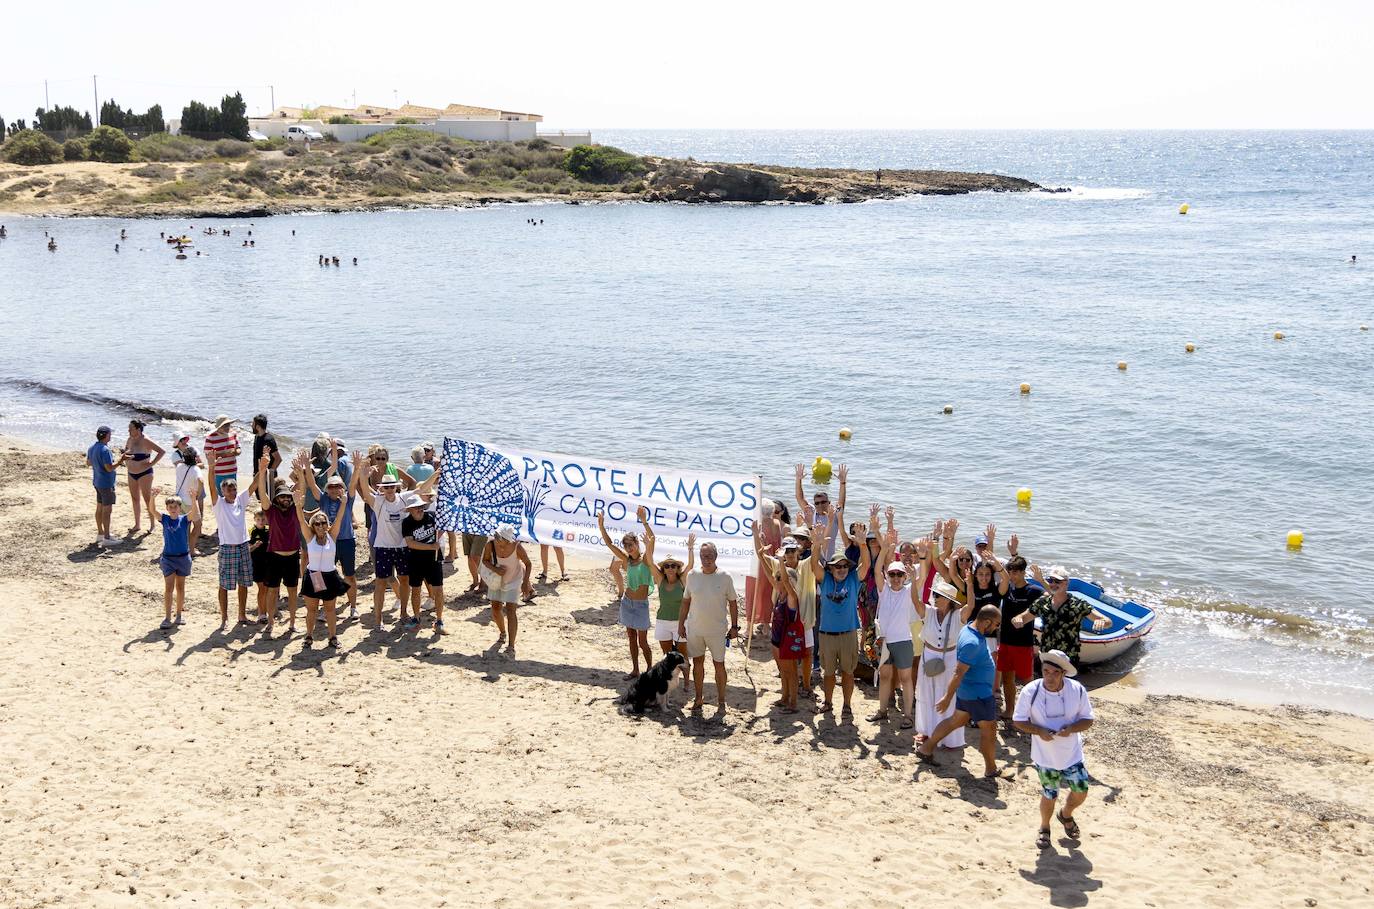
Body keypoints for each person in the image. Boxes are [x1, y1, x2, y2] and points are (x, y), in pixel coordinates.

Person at [1012, 650, 1096, 848]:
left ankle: (1065, 814)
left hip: (1072, 754)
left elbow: (1088, 719)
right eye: (1046, 671)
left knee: (1081, 790)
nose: (1049, 677)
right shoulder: (1030, 691)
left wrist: (1072, 729)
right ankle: (1044, 828)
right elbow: (1018, 720)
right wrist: (1038, 730)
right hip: (1045, 757)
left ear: (1063, 673)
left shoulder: (1077, 690)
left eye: (1055, 673)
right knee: (1050, 793)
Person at [917, 604, 1004, 779]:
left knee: (955, 721)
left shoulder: (968, 629)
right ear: (986, 622)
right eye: (996, 624)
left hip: (969, 691)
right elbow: (958, 672)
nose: (996, 628)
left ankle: (926, 748)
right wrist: (947, 697)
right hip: (978, 694)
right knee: (989, 731)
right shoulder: (972, 642)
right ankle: (990, 768)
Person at [814, 514, 871, 719]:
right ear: (830, 568)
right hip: (827, 635)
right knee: (828, 673)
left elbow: (865, 566)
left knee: (848, 673)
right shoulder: (826, 580)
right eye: (837, 566)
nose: (841, 569)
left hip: (848, 634)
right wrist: (816, 545)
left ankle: (846, 705)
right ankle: (828, 702)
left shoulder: (854, 579)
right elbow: (814, 567)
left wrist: (863, 545)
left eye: (845, 566)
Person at [915, 569, 976, 746]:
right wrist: (914, 579)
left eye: (939, 595)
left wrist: (970, 585)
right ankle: (926, 731)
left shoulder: (958, 616)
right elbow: (914, 601)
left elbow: (971, 606)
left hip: (950, 658)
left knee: (947, 695)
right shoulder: (929, 611)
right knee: (927, 694)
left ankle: (948, 739)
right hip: (929, 656)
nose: (935, 597)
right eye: (935, 594)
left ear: (949, 601)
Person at [678, 542, 739, 714]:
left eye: (709, 556)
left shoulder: (725, 577)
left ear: (716, 556)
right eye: (703, 556)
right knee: (697, 664)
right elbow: (686, 601)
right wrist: (680, 623)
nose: (706, 560)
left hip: (717, 631)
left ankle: (721, 701)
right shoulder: (692, 575)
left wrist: (734, 627)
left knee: (719, 665)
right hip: (695, 629)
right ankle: (698, 698)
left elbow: (733, 603)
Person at [871, 530, 924, 729]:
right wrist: (884, 549)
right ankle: (882, 711)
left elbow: (922, 577)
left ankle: (908, 715)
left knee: (905, 678)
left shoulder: (909, 592)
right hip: (884, 640)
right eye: (892, 574)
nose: (895, 578)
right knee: (885, 676)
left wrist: (922, 561)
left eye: (899, 575)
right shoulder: (883, 590)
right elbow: (877, 571)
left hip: (903, 641)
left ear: (904, 576)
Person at [1008, 565, 1111, 667]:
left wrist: (1101, 622)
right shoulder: (1042, 603)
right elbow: (1023, 617)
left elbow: (1108, 621)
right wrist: (1017, 619)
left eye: (1057, 581)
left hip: (1068, 658)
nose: (1053, 584)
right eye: (1050, 580)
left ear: (1066, 583)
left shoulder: (1078, 604)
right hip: (1047, 656)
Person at [354, 453, 411, 630]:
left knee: (404, 580)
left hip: (401, 547)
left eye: (392, 486)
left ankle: (403, 613)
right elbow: (364, 490)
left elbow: (421, 488)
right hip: (383, 548)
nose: (390, 489)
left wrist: (435, 475)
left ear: (397, 487)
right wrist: (362, 474)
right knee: (380, 583)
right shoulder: (377, 502)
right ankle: (378, 619)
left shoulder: (404, 499)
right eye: (386, 487)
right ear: (382, 489)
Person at [597, 509, 656, 678]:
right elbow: (609, 544)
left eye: (631, 544)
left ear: (637, 544)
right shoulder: (626, 560)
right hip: (627, 602)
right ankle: (636, 669)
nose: (629, 548)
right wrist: (602, 527)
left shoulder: (646, 559)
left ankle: (650, 670)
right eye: (626, 545)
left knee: (643, 641)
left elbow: (652, 540)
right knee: (631, 637)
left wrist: (644, 521)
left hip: (641, 605)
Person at [301, 447, 358, 617]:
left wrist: (357, 469)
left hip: (346, 540)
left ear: (342, 488)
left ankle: (353, 607)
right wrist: (306, 467)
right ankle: (323, 609)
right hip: (325, 541)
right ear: (327, 489)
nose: (334, 489)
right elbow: (311, 484)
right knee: (321, 574)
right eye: (331, 487)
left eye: (337, 487)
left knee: (349, 576)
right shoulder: (324, 498)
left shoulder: (347, 499)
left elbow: (354, 484)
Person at [295, 478, 350, 649]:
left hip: (329, 576)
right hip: (313, 576)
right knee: (311, 610)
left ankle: (333, 637)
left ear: (327, 525)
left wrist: (344, 503)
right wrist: (298, 505)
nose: (320, 525)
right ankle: (309, 636)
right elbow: (301, 521)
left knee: (330, 610)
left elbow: (339, 519)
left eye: (323, 523)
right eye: (317, 523)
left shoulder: (332, 536)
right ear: (313, 525)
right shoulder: (310, 537)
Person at [755, 530, 804, 712]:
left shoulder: (792, 597)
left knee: (791, 672)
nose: (778, 580)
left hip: (788, 640)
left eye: (781, 579)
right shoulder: (780, 594)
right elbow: (771, 575)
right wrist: (761, 557)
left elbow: (785, 579)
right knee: (783, 671)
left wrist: (782, 562)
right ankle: (784, 697)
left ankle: (793, 702)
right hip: (777, 639)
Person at [255, 453, 302, 635]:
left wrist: (301, 473)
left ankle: (292, 623)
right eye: (283, 497)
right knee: (272, 592)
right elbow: (263, 495)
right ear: (277, 499)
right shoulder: (271, 511)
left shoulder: (295, 509)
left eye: (288, 497)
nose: (286, 499)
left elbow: (301, 492)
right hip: (274, 557)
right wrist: (261, 471)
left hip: (292, 557)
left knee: (292, 592)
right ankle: (271, 623)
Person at [646, 527, 695, 689]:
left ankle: (687, 681)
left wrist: (690, 548)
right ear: (664, 569)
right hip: (662, 621)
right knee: (668, 656)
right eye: (667, 566)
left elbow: (691, 565)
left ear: (677, 568)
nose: (670, 568)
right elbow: (650, 562)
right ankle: (671, 680)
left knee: (683, 655)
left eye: (673, 565)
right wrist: (647, 546)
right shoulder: (660, 580)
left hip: (680, 623)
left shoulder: (682, 581)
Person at [206, 464, 253, 626]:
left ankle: (241, 615)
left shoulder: (240, 499)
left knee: (244, 583)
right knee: (224, 584)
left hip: (243, 546)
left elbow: (254, 486)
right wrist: (211, 467)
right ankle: (224, 617)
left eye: (234, 489)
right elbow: (211, 486)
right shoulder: (218, 504)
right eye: (229, 490)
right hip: (228, 548)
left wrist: (263, 468)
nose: (232, 492)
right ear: (223, 491)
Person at [998, 549, 1039, 718]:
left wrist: (1042, 580)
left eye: (1016, 572)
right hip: (1006, 641)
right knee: (1007, 680)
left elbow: (1050, 601)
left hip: (1023, 643)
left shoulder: (1033, 591)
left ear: (1023, 572)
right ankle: (1009, 710)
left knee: (1027, 680)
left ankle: (1032, 712)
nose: (1012, 575)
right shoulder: (1007, 589)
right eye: (1010, 572)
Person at [402, 475, 445, 632]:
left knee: (439, 590)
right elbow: (410, 543)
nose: (420, 509)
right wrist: (431, 547)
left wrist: (437, 540)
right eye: (417, 507)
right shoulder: (407, 522)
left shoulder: (432, 517)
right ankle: (416, 618)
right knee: (416, 590)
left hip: (434, 560)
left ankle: (439, 620)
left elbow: (443, 527)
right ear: (410, 510)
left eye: (421, 506)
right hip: (415, 560)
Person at [482, 523, 533, 653]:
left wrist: (525, 583)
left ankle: (511, 645)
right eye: (496, 535)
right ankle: (502, 632)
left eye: (499, 536)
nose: (496, 537)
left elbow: (528, 563)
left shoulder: (517, 547)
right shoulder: (490, 544)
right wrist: (496, 569)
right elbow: (485, 560)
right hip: (496, 581)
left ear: (507, 539)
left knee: (511, 611)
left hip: (514, 580)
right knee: (495, 608)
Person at [149, 487, 193, 630]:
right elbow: (153, 511)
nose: (173, 509)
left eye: (175, 507)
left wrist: (194, 498)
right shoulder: (165, 519)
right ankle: (167, 617)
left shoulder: (184, 519)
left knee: (180, 587)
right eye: (170, 507)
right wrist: (152, 498)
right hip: (168, 558)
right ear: (167, 508)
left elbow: (196, 513)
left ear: (180, 508)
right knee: (169, 588)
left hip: (183, 558)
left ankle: (179, 615)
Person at [792, 462, 847, 559]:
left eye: (823, 502)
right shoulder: (812, 512)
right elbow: (799, 498)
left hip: (828, 557)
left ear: (829, 502)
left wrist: (842, 483)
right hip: (812, 557)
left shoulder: (833, 513)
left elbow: (841, 502)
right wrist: (798, 480)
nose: (820, 505)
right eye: (817, 503)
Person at [86, 425, 125, 547]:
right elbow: (109, 468)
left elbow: (88, 462)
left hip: (97, 481)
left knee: (99, 508)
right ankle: (107, 537)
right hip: (106, 483)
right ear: (106, 435)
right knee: (107, 510)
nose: (111, 436)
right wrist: (121, 460)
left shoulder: (92, 447)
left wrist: (98, 464)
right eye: (110, 434)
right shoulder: (105, 450)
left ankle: (100, 533)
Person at [122, 419, 164, 533]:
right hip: (131, 473)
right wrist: (125, 460)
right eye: (129, 428)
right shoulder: (129, 439)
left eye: (131, 428)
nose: (128, 430)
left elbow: (161, 451)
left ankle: (152, 525)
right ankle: (137, 525)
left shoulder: (146, 440)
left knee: (147, 499)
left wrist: (152, 463)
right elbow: (126, 451)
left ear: (138, 429)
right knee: (135, 498)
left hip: (144, 473)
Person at [173, 445, 205, 553]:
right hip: (190, 502)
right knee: (198, 525)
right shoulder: (196, 469)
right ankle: (191, 549)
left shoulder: (179, 467)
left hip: (179, 501)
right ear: (195, 457)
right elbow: (201, 481)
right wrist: (198, 494)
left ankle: (184, 547)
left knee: (185, 526)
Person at [203, 415, 240, 495]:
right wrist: (224, 454)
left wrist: (236, 452)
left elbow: (239, 449)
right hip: (219, 473)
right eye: (225, 425)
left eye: (228, 425)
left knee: (232, 495)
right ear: (219, 426)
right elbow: (208, 456)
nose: (228, 427)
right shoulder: (210, 438)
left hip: (232, 471)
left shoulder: (233, 434)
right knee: (220, 497)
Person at [250, 415, 280, 497]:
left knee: (269, 498)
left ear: (258, 426)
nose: (251, 425)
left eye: (253, 424)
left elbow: (278, 459)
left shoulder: (268, 439)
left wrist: (270, 473)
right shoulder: (257, 437)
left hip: (267, 476)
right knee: (259, 496)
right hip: (258, 473)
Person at [249, 509, 270, 622]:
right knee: (261, 588)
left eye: (263, 519)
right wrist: (254, 546)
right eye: (258, 520)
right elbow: (247, 549)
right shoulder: (252, 531)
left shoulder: (269, 531)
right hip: (257, 564)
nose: (261, 522)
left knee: (267, 589)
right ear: (254, 520)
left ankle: (266, 612)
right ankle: (261, 613)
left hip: (268, 563)